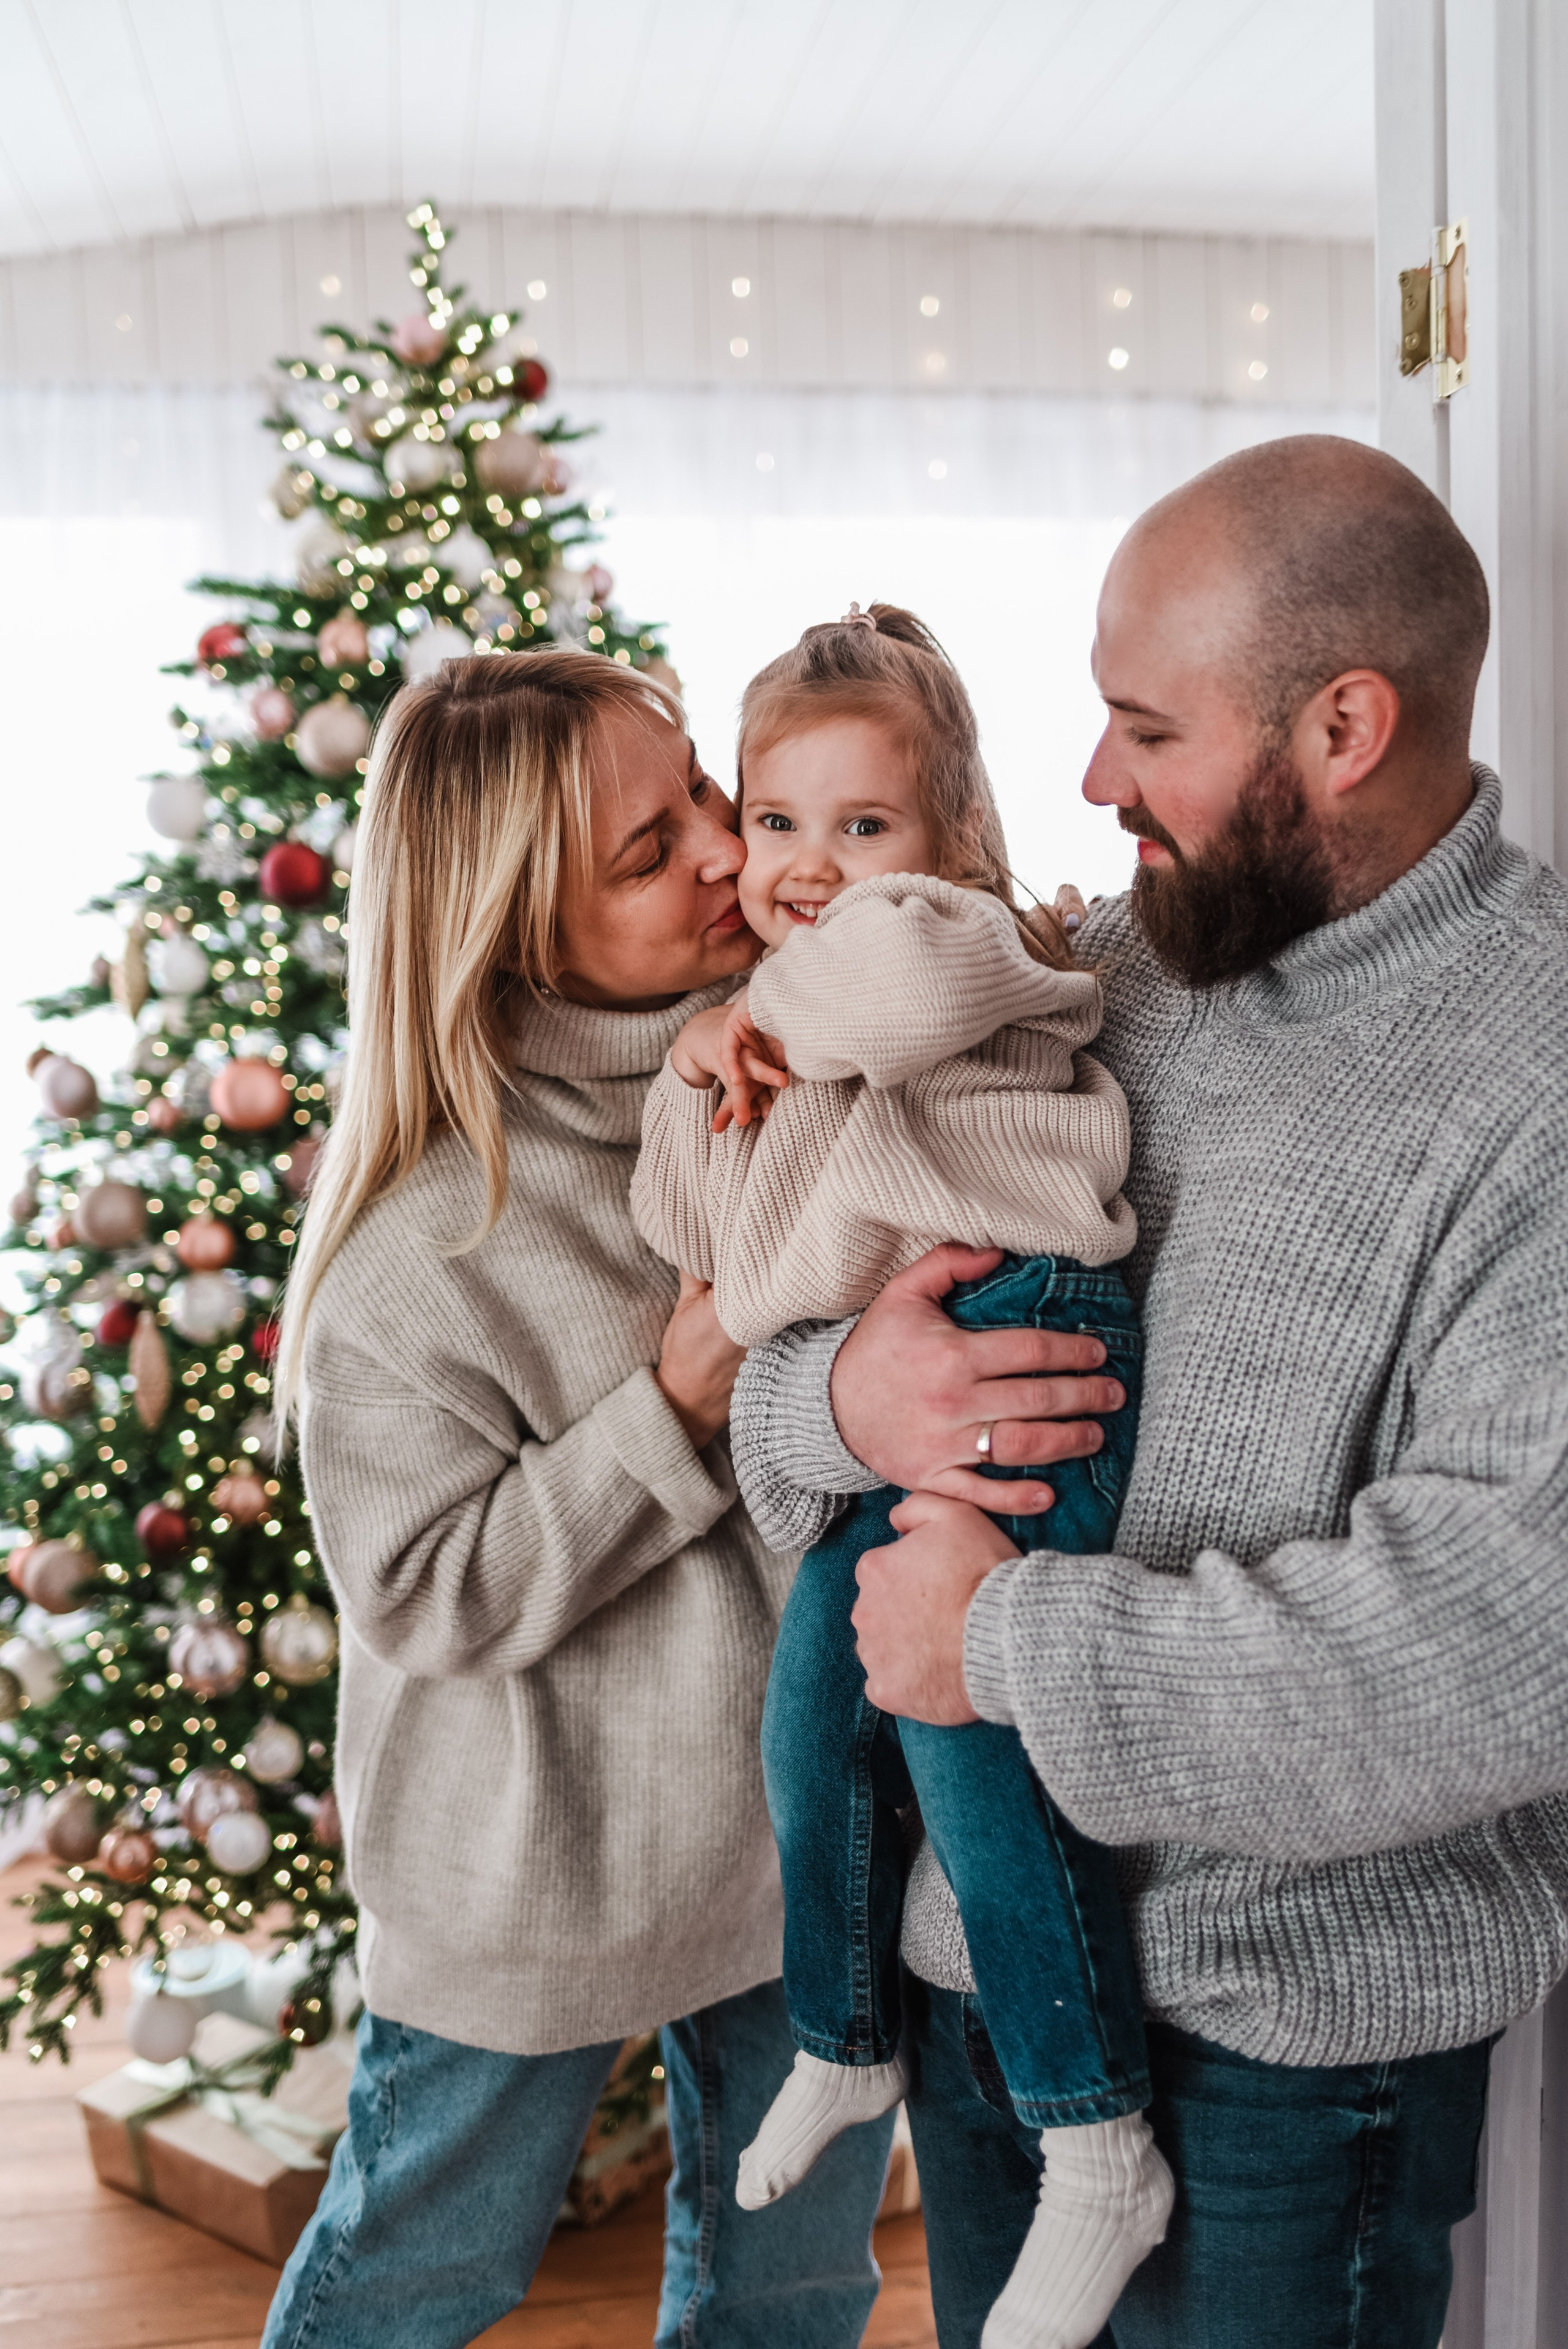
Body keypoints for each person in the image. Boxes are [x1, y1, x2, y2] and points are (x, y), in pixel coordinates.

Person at [729, 435, 1568, 2349]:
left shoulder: (1541, 1070)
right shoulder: (1087, 973)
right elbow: (775, 1369)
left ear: (1344, 725)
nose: (1094, 783)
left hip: (1288, 2058)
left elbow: (1514, 1641)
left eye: (1145, 729)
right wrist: (847, 1402)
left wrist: (1004, 1642)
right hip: (974, 1997)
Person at [260, 652, 896, 2349]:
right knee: (418, 2272)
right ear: (521, 929)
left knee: (796, 2281)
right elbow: (428, 1592)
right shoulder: (419, 1252)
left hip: (784, 1852)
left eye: (700, 791)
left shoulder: (805, 1073)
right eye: (645, 848)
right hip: (522, 1873)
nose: (719, 848)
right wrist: (673, 1406)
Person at [633, 603, 1171, 2349]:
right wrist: (698, 1062)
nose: (811, 867)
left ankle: (1096, 2138)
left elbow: (900, 978)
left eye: (865, 824)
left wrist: (761, 1002)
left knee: (967, 1737)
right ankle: (847, 2041)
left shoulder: (955, 941)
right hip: (890, 1364)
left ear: (945, 835)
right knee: (810, 1718)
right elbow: (694, 1231)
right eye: (777, 821)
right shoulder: (762, 1029)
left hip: (1031, 1312)